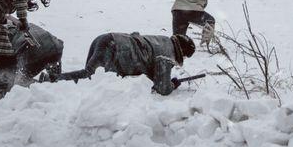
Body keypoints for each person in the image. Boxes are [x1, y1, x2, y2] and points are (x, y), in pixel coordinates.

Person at [54, 33, 196, 96]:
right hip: (114, 48)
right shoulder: (167, 55)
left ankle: (53, 80)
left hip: (107, 39)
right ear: (182, 52)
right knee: (89, 77)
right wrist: (172, 84)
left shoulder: (163, 40)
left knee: (90, 78)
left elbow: (149, 64)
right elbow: (162, 89)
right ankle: (51, 81)